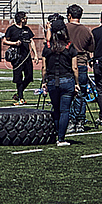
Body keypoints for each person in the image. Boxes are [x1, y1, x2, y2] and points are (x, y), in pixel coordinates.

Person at [41, 15, 79, 146]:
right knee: (65, 110)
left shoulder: (47, 47)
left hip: (52, 81)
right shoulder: (70, 46)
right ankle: (61, 138)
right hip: (67, 80)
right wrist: (77, 83)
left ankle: (57, 133)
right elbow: (74, 67)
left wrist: (44, 82)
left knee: (56, 109)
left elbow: (44, 67)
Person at [65, 4, 95, 132]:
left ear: (69, 15)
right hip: (82, 63)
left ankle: (70, 121)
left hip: (66, 64)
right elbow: (92, 48)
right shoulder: (86, 30)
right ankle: (80, 121)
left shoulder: (64, 28)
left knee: (68, 95)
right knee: (81, 94)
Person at [3, 10, 39, 105]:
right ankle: (21, 98)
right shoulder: (11, 29)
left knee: (29, 76)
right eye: (25, 18)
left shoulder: (27, 29)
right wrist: (14, 43)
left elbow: (31, 41)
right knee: (18, 78)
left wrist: (35, 55)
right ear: (21, 19)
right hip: (17, 57)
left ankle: (19, 93)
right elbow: (4, 41)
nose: (27, 20)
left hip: (26, 56)